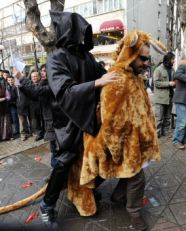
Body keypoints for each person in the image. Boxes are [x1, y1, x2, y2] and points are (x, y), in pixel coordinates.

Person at [38, 11, 118, 227]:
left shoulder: (86, 55)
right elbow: (64, 91)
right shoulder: (55, 58)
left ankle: (87, 188)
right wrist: (96, 83)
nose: (84, 36)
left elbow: (103, 74)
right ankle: (47, 204)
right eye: (80, 31)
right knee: (65, 161)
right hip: (67, 120)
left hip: (90, 115)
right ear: (69, 31)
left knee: (100, 156)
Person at [81, 31, 163, 231]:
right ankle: (134, 213)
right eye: (142, 58)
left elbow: (141, 109)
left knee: (131, 175)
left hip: (139, 141)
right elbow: (111, 121)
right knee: (137, 178)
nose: (145, 63)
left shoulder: (135, 76)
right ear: (130, 54)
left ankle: (118, 196)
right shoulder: (117, 78)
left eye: (147, 59)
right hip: (125, 143)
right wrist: (116, 149)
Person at [153, 52, 176, 137]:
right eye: (173, 59)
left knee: (168, 117)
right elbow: (156, 83)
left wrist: (175, 83)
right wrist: (168, 83)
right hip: (160, 98)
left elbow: (174, 81)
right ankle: (156, 134)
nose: (174, 61)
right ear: (168, 59)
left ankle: (166, 132)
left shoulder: (173, 70)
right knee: (159, 118)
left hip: (170, 97)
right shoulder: (158, 69)